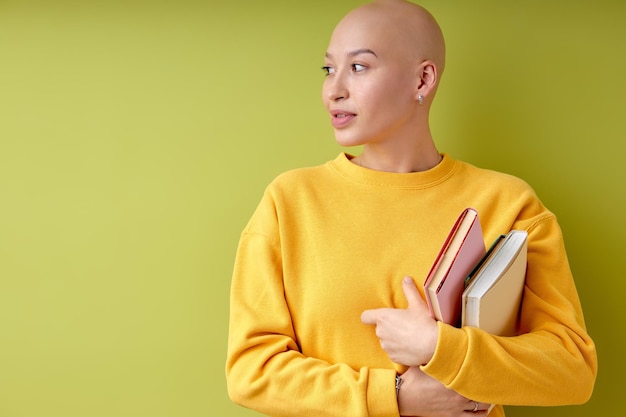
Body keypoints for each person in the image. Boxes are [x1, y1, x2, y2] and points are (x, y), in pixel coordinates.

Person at [225, 0, 597, 416]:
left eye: (359, 67)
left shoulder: (510, 205)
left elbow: (572, 369)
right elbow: (251, 371)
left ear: (422, 78)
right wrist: (396, 395)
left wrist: (443, 348)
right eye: (329, 69)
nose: (335, 89)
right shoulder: (289, 201)